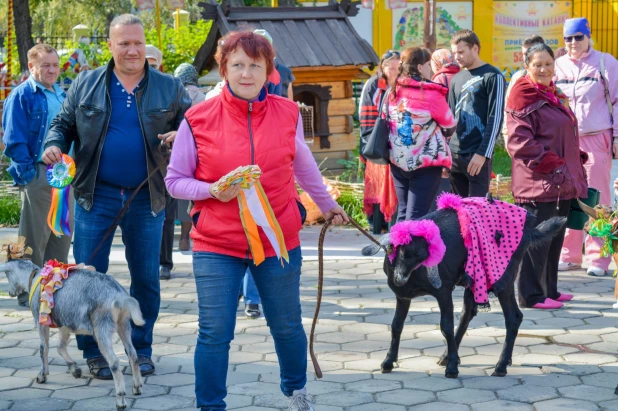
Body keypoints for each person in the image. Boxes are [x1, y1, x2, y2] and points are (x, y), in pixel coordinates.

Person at [165, 30, 349, 410]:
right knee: (215, 333)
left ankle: (296, 391)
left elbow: (303, 167)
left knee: (286, 326)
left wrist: (326, 203)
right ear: (223, 69)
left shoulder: (289, 113)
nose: (246, 74)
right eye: (237, 65)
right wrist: (211, 190)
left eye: (255, 65)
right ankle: (210, 405)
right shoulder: (196, 119)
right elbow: (175, 181)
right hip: (217, 244)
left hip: (278, 238)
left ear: (269, 71)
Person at [42, 14, 191, 380]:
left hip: (148, 198)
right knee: (89, 279)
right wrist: (52, 145)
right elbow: (63, 124)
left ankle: (141, 351)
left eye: (138, 42)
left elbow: (195, 124)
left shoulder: (169, 87)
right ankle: (95, 351)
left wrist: (181, 137)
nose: (132, 50)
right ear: (110, 45)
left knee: (146, 280)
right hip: (96, 196)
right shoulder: (86, 83)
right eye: (124, 43)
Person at [506, 43, 587, 309]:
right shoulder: (522, 94)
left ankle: (549, 289)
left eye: (548, 64)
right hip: (538, 181)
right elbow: (520, 142)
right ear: (527, 66)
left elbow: (560, 132)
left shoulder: (553, 93)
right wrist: (555, 164)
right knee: (537, 241)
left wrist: (575, 158)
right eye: (537, 64)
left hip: (559, 178)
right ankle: (531, 295)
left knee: (554, 238)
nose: (544, 69)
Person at [1, 44, 72, 307]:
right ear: (32, 67)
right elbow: (13, 140)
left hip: (64, 174)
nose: (52, 70)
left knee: (60, 233)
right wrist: (29, 172)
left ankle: (53, 287)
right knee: (32, 236)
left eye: (55, 65)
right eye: (45, 65)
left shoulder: (60, 93)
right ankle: (25, 290)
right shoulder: (22, 96)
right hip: (38, 173)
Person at [556, 17, 618, 277]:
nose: (573, 43)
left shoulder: (606, 62)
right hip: (566, 142)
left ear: (588, 37)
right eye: (568, 38)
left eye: (578, 37)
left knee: (597, 197)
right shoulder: (558, 65)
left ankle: (599, 258)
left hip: (596, 138)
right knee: (568, 196)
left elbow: (616, 100)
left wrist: (616, 137)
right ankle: (570, 255)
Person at [387, 47, 457, 222]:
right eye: (427, 64)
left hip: (397, 160)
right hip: (425, 162)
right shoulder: (431, 93)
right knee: (418, 215)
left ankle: (397, 248)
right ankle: (412, 249)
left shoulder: (393, 91)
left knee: (403, 212)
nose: (431, 68)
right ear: (419, 67)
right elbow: (449, 123)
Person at [449, 29, 506, 198]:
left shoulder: (492, 75)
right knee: (456, 211)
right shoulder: (455, 79)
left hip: (477, 154)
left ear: (475, 48)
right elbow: (450, 119)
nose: (457, 57)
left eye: (461, 52)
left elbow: (495, 118)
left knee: (477, 211)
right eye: (454, 53)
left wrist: (483, 154)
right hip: (455, 155)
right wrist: (445, 154)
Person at [359, 50, 400, 231]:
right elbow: (367, 115)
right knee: (377, 182)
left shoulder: (403, 84)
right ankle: (377, 220)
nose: (393, 69)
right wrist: (371, 143)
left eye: (396, 66)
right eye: (389, 66)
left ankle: (392, 219)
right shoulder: (374, 85)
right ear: (382, 67)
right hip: (377, 140)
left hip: (397, 141)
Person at [173, 63, 206, 252]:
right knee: (192, 196)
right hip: (200, 152)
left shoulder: (173, 96)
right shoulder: (205, 98)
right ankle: (186, 238)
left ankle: (177, 239)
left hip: (175, 150)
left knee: (175, 196)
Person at [502, 35, 545, 147]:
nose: (526, 58)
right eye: (524, 54)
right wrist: (507, 136)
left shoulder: (553, 76)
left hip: (548, 138)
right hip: (522, 140)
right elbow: (508, 108)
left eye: (529, 54)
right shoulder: (518, 78)